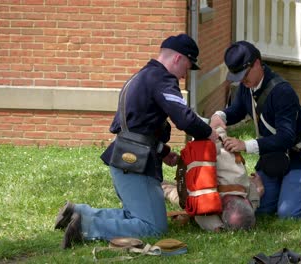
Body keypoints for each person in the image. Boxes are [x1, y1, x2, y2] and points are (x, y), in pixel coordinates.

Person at [54, 33, 219, 249]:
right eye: (187, 67)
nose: (183, 75)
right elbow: (183, 117)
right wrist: (209, 133)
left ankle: (78, 213)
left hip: (126, 158)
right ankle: (85, 226)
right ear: (178, 59)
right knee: (153, 227)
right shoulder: (162, 78)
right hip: (136, 165)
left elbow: (137, 127)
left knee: (134, 215)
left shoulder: (143, 76)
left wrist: (162, 152)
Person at [210, 41, 301, 219]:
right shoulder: (247, 87)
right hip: (273, 158)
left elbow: (287, 137)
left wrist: (245, 145)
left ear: (257, 63)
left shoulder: (282, 91)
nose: (243, 80)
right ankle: (289, 190)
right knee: (261, 207)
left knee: (288, 213)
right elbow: (236, 110)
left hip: (297, 156)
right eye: (239, 76)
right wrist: (220, 115)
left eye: (245, 74)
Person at [162, 126, 264, 231]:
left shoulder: (244, 187)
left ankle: (163, 186)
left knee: (173, 193)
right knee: (172, 193)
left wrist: (259, 188)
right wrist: (218, 228)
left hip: (196, 174)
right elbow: (203, 217)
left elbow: (254, 198)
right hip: (195, 176)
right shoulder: (208, 202)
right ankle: (163, 187)